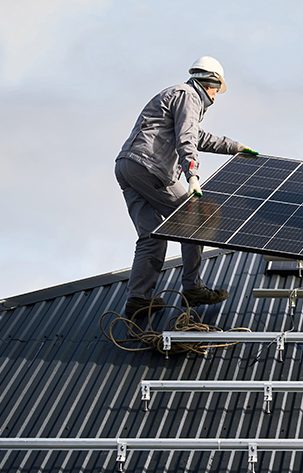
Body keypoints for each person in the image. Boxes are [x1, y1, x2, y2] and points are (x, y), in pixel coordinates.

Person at [115, 56, 257, 319]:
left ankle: (138, 300)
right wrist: (192, 175)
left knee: (151, 236)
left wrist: (234, 147)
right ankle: (193, 288)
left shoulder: (175, 95)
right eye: (217, 89)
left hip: (128, 166)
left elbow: (196, 135)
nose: (216, 97)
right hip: (149, 167)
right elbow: (188, 139)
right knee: (197, 219)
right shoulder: (189, 95)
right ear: (211, 81)